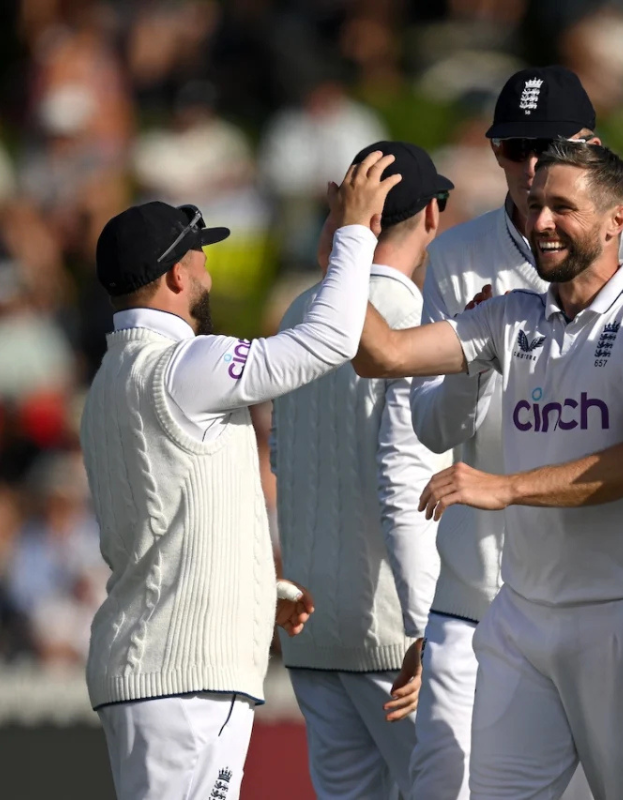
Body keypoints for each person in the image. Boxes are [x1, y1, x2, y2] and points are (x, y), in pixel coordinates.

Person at [407, 65, 623, 800]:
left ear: (588, 145)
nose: (528, 169)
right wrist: (477, 356)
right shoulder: (461, 255)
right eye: (511, 149)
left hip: (612, 588)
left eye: (547, 147)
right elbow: (432, 424)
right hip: (487, 594)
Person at [79, 151, 400, 800]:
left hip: (158, 667)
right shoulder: (183, 364)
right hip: (181, 677)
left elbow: (164, 521)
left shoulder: (111, 380)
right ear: (175, 276)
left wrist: (256, 591)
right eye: (198, 256)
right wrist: (355, 233)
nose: (206, 269)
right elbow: (327, 344)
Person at [271, 141, 453, 800]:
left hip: (317, 634)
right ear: (432, 215)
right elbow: (414, 491)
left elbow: (284, 464)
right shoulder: (417, 324)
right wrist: (431, 627)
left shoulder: (298, 314)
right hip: (400, 639)